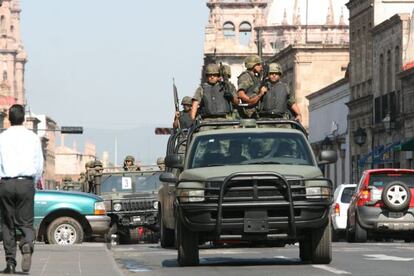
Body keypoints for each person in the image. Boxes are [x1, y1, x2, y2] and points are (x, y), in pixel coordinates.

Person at [0, 104, 44, 274]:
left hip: (7, 183)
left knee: (7, 224)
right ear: (24, 119)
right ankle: (26, 245)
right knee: (26, 223)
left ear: (9, 119)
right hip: (26, 183)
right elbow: (39, 163)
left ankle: (10, 263)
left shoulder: (2, 137)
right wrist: (34, 180)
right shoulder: (32, 138)